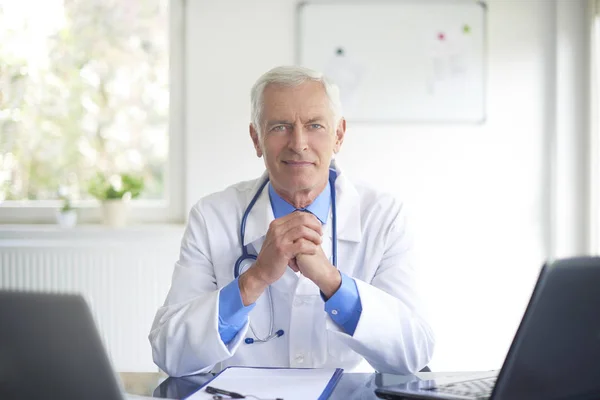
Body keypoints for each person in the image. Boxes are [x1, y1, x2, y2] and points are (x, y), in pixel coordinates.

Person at [149, 66, 435, 377]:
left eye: (314, 125)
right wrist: (254, 279)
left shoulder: (383, 217)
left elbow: (413, 353)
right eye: (280, 127)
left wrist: (333, 283)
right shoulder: (212, 216)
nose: (298, 143)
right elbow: (171, 353)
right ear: (256, 139)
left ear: (338, 135)